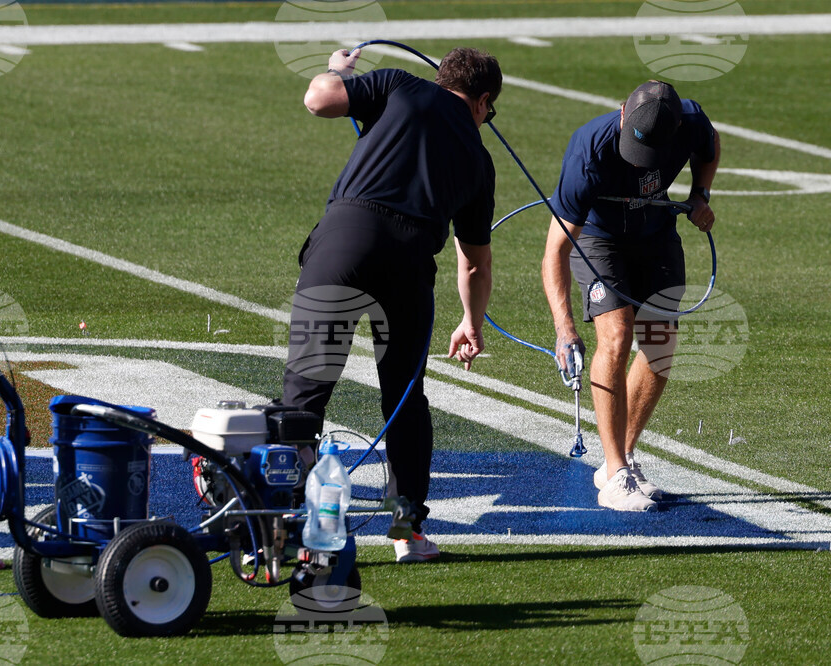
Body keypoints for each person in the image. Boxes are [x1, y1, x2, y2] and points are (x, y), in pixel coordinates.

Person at [281, 47, 502, 562]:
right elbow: (474, 264)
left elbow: (318, 100)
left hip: (344, 243)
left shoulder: (401, 85)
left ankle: (294, 526)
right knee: (404, 399)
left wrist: (341, 70)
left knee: (306, 390)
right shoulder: (480, 159)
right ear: (482, 100)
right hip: (408, 263)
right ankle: (407, 531)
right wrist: (470, 322)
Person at [542, 80, 720, 511]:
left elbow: (710, 145)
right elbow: (556, 249)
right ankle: (617, 473)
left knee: (660, 344)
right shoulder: (589, 151)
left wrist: (700, 193)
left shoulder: (691, 120)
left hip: (655, 231)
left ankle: (620, 458)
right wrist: (564, 326)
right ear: (623, 114)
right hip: (600, 239)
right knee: (617, 338)